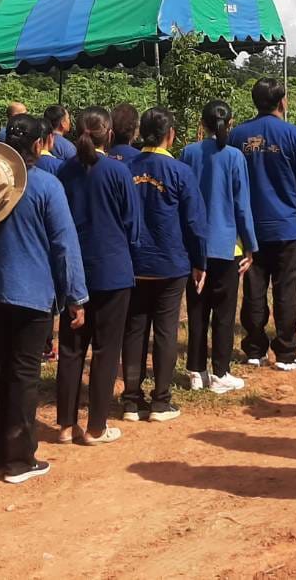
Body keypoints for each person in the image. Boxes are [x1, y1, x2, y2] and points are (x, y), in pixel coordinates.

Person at [0, 116, 88, 481]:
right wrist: (75, 296)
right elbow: (65, 246)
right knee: (23, 374)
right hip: (32, 295)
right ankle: (18, 461)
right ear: (39, 145)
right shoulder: (47, 187)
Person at [55, 106, 138, 444]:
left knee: (71, 349)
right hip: (113, 271)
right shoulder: (118, 173)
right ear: (111, 135)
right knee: (106, 350)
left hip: (74, 271)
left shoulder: (64, 171)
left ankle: (64, 425)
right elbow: (133, 225)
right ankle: (96, 427)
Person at [231, 78, 296, 371]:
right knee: (286, 289)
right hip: (287, 228)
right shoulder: (294, 136)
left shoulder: (237, 136)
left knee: (254, 289)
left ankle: (255, 348)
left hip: (251, 228)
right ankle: (286, 351)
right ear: (282, 102)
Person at [122, 107, 207, 423]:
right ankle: (161, 399)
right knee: (166, 330)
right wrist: (200, 260)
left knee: (134, 330)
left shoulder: (125, 167)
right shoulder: (180, 172)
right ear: (170, 135)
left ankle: (131, 399)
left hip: (132, 262)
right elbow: (194, 222)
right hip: (170, 263)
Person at [180, 101, 256, 394]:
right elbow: (242, 205)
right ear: (230, 122)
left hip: (194, 245)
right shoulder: (234, 157)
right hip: (226, 247)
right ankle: (220, 372)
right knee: (223, 314)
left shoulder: (189, 152)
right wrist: (250, 245)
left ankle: (196, 370)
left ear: (203, 123)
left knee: (197, 310)